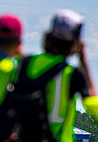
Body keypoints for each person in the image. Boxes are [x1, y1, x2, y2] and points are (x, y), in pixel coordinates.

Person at [15, 9, 97, 142]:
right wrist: (84, 62)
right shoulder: (72, 74)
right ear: (76, 42)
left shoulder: (25, 63)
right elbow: (93, 106)